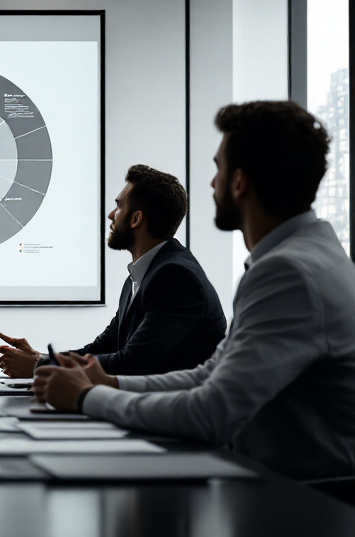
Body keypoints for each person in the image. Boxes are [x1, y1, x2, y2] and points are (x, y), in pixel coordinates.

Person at [34, 101, 355, 482]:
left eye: (218, 168)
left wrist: (87, 397)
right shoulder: (310, 257)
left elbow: (211, 413)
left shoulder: (288, 273)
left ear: (239, 182)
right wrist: (109, 383)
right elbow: (209, 375)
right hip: (284, 491)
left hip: (303, 506)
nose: (211, 183)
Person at [0, 165, 225, 377]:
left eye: (119, 206)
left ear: (136, 219)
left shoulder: (175, 278)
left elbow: (133, 364)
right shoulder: (141, 275)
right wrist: (42, 358)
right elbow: (105, 346)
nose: (110, 215)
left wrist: (40, 367)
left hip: (171, 416)